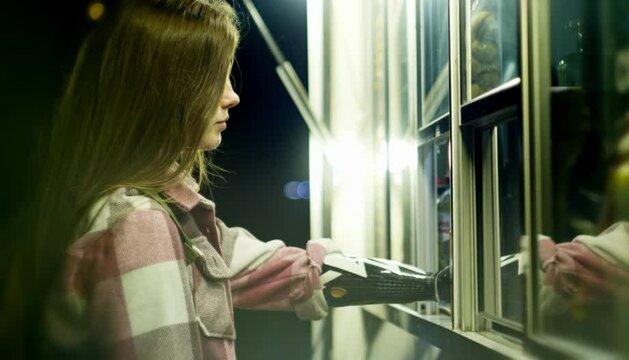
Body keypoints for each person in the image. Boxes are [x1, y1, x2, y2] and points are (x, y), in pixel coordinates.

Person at [0, 0, 448, 358]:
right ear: (163, 92)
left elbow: (279, 269)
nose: (232, 96)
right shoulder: (141, 227)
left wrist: (427, 284)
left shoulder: (150, 214)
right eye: (212, 78)